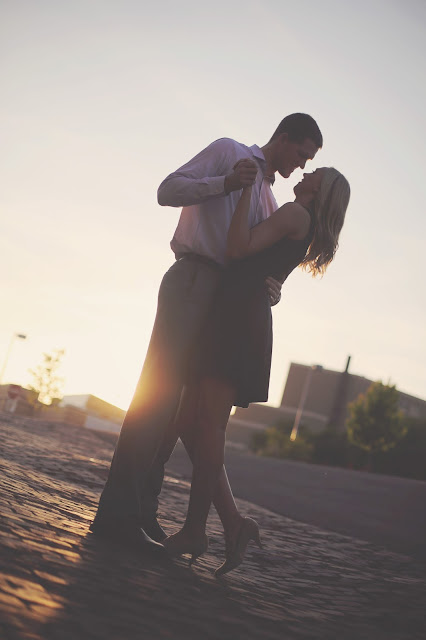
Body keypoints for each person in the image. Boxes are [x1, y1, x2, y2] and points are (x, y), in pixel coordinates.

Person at [90, 114, 323, 554]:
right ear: (284, 137)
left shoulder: (274, 203)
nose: (301, 164)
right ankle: (116, 517)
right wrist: (225, 183)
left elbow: (253, 258)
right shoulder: (229, 151)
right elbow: (167, 191)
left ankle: (141, 512)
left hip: (224, 307)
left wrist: (271, 286)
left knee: (178, 414)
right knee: (156, 398)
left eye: (309, 161)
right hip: (193, 279)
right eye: (301, 153)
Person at [162, 165, 351, 575]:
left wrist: (246, 189)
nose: (306, 173)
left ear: (321, 190)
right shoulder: (302, 221)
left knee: (208, 426)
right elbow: (261, 267)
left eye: (314, 172)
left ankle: (195, 529)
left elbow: (237, 249)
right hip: (237, 315)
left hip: (236, 319)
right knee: (190, 423)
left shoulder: (294, 213)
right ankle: (232, 523)